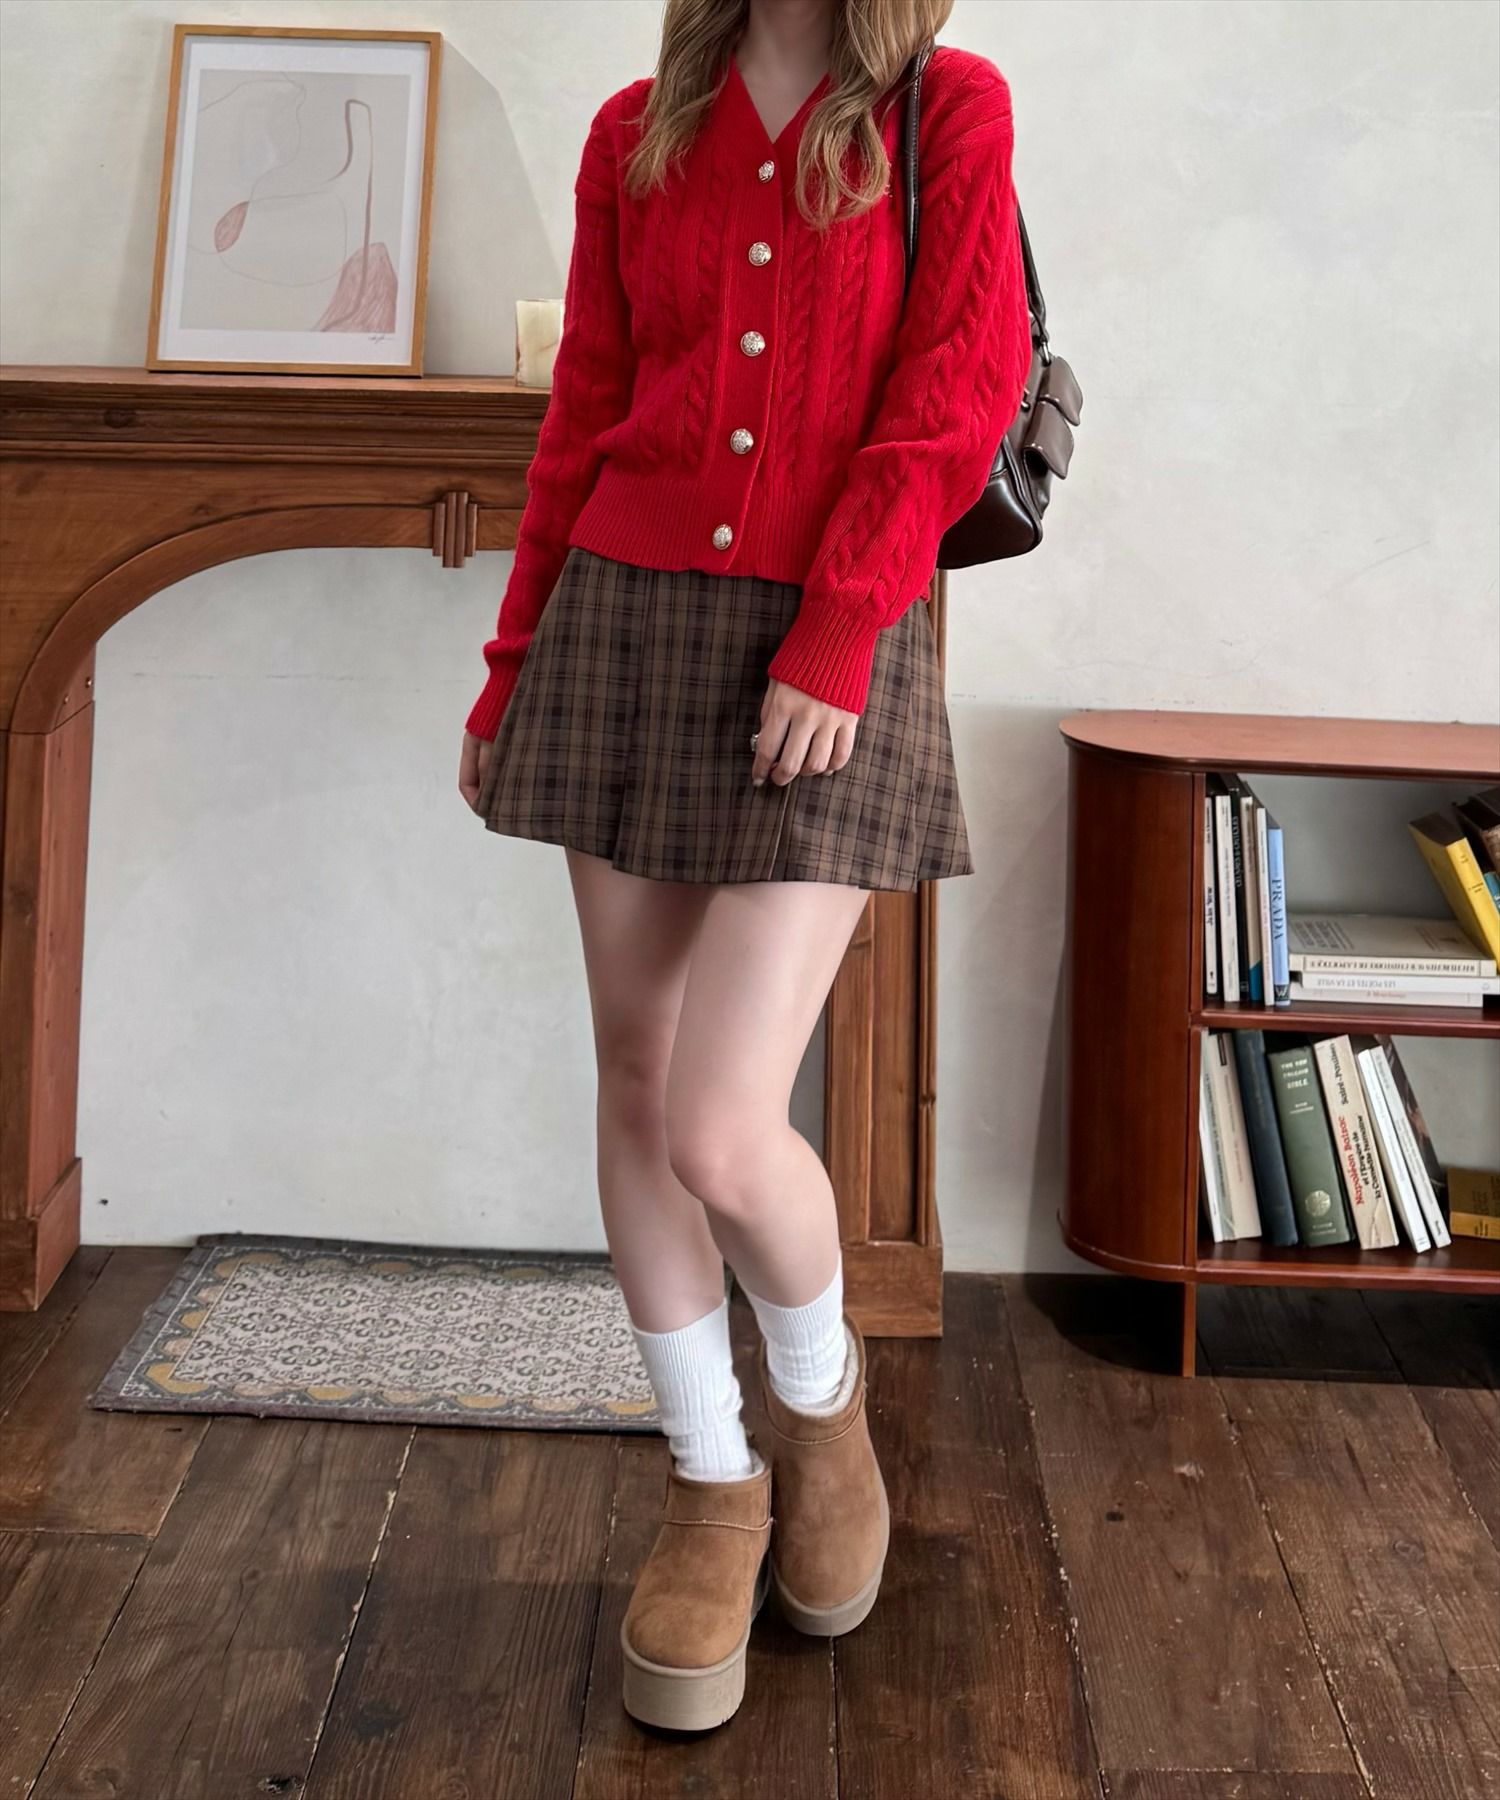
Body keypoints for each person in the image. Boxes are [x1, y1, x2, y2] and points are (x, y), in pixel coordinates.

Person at [458, 0, 1031, 1733]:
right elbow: (587, 408)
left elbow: (957, 392)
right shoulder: (639, 126)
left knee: (721, 1123)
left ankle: (822, 1410)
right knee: (638, 1085)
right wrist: (510, 665)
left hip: (827, 644)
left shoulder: (946, 109)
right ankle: (712, 1478)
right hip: (622, 624)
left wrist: (839, 630)